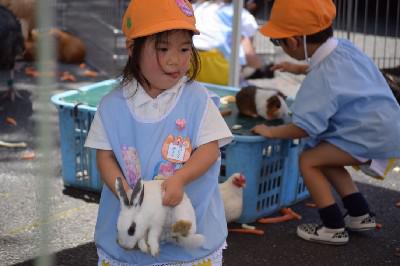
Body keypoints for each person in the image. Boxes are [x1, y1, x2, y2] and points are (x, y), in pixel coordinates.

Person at [84, 0, 233, 264]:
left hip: (188, 230)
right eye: (163, 49)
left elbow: (209, 149)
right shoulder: (112, 106)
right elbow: (105, 157)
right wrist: (125, 194)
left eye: (184, 49)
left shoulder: (197, 99)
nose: (175, 60)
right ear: (133, 49)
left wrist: (181, 178)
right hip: (130, 230)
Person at [251, 0, 400, 245]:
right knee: (323, 155)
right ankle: (359, 213)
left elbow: (303, 128)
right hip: (385, 126)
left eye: (277, 41)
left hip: (370, 135)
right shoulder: (345, 47)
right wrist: (299, 68)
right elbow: (334, 71)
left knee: (308, 160)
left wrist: (270, 131)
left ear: (294, 41)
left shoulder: (321, 79)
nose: (278, 46)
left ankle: (332, 227)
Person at [192, 0, 274, 85]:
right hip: (220, 68)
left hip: (191, 64)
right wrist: (262, 66)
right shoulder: (239, 14)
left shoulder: (195, 8)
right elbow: (248, 53)